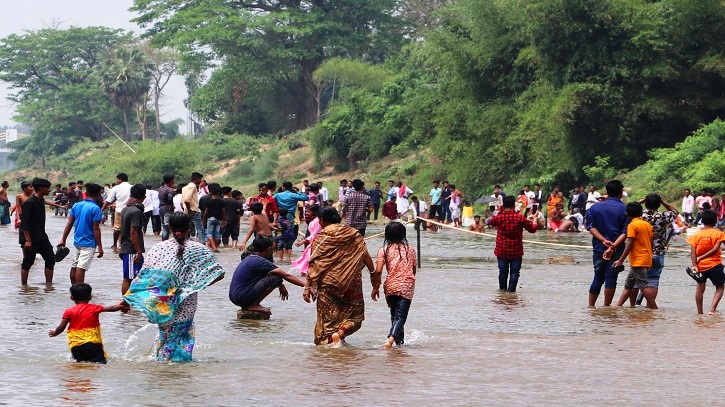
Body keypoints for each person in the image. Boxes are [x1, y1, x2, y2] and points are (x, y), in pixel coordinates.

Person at [123, 212, 224, 362]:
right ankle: (173, 368)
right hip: (186, 302)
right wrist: (194, 285)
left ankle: (162, 368)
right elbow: (218, 274)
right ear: (189, 227)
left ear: (169, 227)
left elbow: (144, 277)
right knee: (181, 335)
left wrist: (127, 299)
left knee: (165, 334)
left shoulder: (158, 248)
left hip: (163, 302)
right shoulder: (199, 249)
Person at [303, 207, 375, 346]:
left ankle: (327, 343)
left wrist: (308, 286)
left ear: (322, 220)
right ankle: (340, 334)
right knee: (355, 316)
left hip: (328, 284)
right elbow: (365, 255)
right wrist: (374, 275)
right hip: (351, 282)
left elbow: (314, 263)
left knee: (326, 321)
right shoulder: (354, 234)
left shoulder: (321, 238)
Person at [48, 283, 129, 364]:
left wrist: (54, 333)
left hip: (76, 346)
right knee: (99, 365)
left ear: (71, 297)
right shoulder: (94, 308)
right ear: (90, 297)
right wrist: (125, 305)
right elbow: (112, 308)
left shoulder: (68, 311)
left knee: (80, 365)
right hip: (93, 344)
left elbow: (61, 328)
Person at [229, 235, 307, 314]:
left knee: (275, 277)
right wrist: (307, 285)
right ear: (268, 249)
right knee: (277, 278)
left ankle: (251, 304)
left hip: (234, 297)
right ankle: (254, 304)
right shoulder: (260, 261)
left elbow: (268, 274)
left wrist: (281, 285)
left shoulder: (250, 258)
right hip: (242, 297)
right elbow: (286, 275)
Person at [371, 222, 417, 348]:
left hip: (390, 285)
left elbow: (379, 271)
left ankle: (399, 345)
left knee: (394, 316)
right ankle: (390, 340)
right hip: (407, 285)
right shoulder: (410, 250)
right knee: (401, 317)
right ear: (403, 234)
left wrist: (376, 287)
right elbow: (413, 270)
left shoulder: (383, 250)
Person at [585, 180, 628, 307]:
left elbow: (590, 227)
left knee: (598, 276)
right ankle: (606, 307)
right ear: (621, 193)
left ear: (607, 193)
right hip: (617, 248)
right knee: (611, 277)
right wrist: (613, 246)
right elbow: (625, 232)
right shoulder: (625, 210)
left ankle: (591, 306)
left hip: (599, 247)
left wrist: (603, 240)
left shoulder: (595, 207)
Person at [632, 194, 678, 306]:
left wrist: (642, 200)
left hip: (641, 253)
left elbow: (630, 208)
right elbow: (675, 211)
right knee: (653, 282)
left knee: (636, 283)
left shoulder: (640, 216)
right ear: (658, 204)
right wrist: (662, 201)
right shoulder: (662, 217)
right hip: (658, 253)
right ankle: (650, 307)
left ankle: (632, 307)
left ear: (645, 204)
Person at [486, 196, 538, 292]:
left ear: (503, 205)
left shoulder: (499, 218)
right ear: (514, 205)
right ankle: (511, 293)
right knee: (514, 273)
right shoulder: (520, 218)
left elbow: (489, 222)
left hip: (501, 250)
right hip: (516, 250)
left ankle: (502, 293)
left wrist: (489, 215)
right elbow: (533, 229)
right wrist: (534, 219)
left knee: (502, 272)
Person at [57, 183, 104, 285]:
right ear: (99, 195)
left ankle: (74, 288)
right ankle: (80, 290)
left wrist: (63, 239)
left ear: (86, 193)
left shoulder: (77, 205)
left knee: (75, 265)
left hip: (77, 241)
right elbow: (95, 228)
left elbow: (69, 223)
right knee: (81, 267)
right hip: (89, 242)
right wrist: (100, 246)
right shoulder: (96, 209)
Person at [612, 203, 656, 309]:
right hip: (644, 258)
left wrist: (621, 260)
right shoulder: (647, 225)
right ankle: (618, 307)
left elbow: (630, 244)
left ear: (627, 214)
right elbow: (651, 243)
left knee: (643, 285)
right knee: (629, 284)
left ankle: (654, 309)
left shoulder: (632, 225)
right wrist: (649, 259)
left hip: (638, 259)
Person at [686, 210, 725, 314]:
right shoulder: (718, 233)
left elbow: (693, 251)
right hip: (715, 264)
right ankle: (712, 309)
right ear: (715, 221)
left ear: (702, 220)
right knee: (720, 286)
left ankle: (700, 312)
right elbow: (716, 249)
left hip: (701, 266)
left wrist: (695, 265)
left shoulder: (696, 235)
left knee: (700, 287)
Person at [19, 178, 55, 286]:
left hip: (42, 236)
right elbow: (25, 223)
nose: (49, 190)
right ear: (41, 189)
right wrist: (28, 240)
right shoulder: (29, 203)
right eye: (48, 188)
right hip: (31, 238)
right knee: (28, 262)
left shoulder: (41, 201)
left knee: (51, 259)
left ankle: (49, 285)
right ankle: (24, 286)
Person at [119, 184, 146, 295]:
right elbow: (133, 232)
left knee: (139, 276)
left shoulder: (126, 208)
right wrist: (138, 251)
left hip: (127, 247)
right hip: (131, 249)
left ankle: (132, 303)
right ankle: (125, 303)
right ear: (144, 197)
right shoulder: (135, 212)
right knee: (129, 278)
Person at [101, 174, 132, 252]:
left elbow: (108, 200)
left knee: (117, 228)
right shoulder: (132, 187)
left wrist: (101, 210)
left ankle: (115, 244)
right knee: (129, 228)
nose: (117, 181)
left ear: (120, 180)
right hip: (130, 210)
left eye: (117, 180)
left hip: (119, 210)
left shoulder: (116, 188)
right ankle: (128, 244)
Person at [292, 205, 322, 275]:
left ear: (314, 212)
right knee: (306, 257)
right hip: (312, 242)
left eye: (308, 211)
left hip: (317, 243)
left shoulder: (317, 221)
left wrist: (303, 241)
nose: (306, 213)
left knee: (308, 258)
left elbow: (315, 234)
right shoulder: (313, 221)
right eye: (306, 211)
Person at [202, 185, 226, 252]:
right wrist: (224, 220)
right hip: (218, 219)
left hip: (210, 218)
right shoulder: (221, 202)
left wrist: (204, 220)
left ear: (211, 193)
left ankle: (213, 247)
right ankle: (215, 247)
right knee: (217, 234)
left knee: (209, 233)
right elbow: (223, 212)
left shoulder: (209, 202)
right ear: (218, 193)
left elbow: (206, 212)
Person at [182, 172, 204, 241]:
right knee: (200, 228)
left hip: (186, 210)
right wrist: (189, 210)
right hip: (193, 210)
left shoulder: (184, 187)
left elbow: (181, 202)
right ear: (196, 179)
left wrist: (185, 209)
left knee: (186, 228)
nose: (200, 181)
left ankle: (186, 242)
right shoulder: (193, 186)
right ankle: (202, 243)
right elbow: (186, 199)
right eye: (200, 179)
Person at [158, 174, 176, 241]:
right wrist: (171, 205)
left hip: (161, 208)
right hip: (167, 209)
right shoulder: (169, 189)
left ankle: (163, 241)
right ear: (171, 181)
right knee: (166, 227)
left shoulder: (160, 188)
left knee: (164, 226)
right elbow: (170, 198)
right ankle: (165, 242)